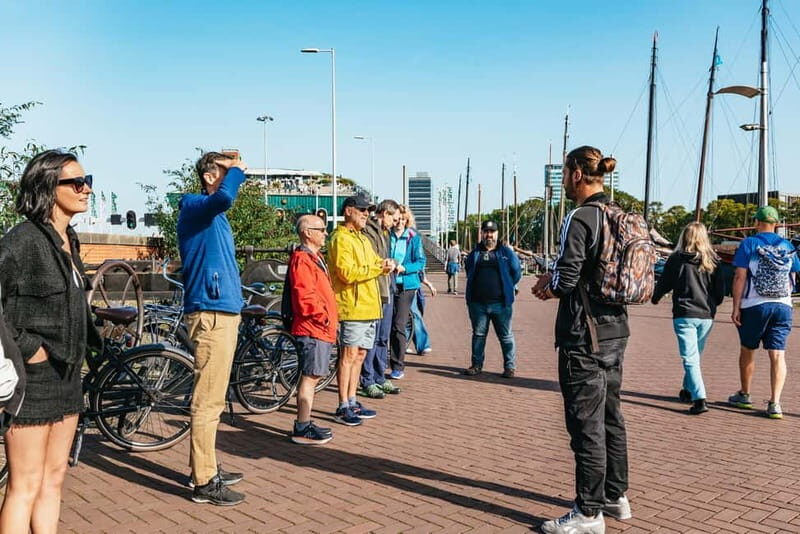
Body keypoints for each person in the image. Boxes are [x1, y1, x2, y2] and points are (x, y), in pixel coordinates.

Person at [0, 150, 102, 532]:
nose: (86, 188)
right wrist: (30, 349)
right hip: (34, 377)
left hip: (68, 374)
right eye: (76, 182)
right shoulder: (22, 241)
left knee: (55, 476)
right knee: (23, 484)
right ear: (47, 186)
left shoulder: (67, 240)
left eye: (87, 180)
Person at [532, 146, 631, 534]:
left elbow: (568, 276)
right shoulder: (618, 214)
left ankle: (589, 512)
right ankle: (615, 496)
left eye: (566, 174)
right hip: (615, 329)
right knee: (611, 417)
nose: (564, 182)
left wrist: (549, 286)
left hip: (583, 334)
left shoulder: (581, 217)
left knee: (585, 424)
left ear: (575, 174)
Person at [177, 151, 247, 505]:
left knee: (214, 399)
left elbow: (225, 199)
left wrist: (231, 166)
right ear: (209, 176)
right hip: (211, 312)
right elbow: (225, 196)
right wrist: (235, 171)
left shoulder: (213, 216)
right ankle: (205, 482)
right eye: (225, 171)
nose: (236, 175)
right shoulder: (193, 205)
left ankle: (205, 467)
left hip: (223, 310)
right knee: (208, 401)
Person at [728, 205, 800, 419]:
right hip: (783, 305)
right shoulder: (787, 245)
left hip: (755, 305)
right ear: (776, 224)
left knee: (748, 349)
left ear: (757, 223)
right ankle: (775, 403)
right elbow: (794, 274)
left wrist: (735, 306)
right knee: (778, 354)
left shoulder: (749, 244)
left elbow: (740, 277)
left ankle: (745, 394)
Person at [329, 195, 394, 425]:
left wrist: (385, 266)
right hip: (352, 306)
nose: (366, 213)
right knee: (348, 356)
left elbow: (374, 263)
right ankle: (342, 404)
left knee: (360, 355)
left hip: (369, 306)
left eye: (368, 210)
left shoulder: (362, 239)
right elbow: (346, 273)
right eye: (362, 209)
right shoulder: (340, 239)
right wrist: (378, 269)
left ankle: (353, 399)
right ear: (349, 211)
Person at [651, 222, 725, 415]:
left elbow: (665, 282)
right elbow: (719, 291)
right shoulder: (713, 260)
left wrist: (656, 297)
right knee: (694, 356)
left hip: (685, 313)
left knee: (690, 358)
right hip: (706, 315)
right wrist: (714, 304)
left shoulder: (676, 259)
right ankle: (687, 390)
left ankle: (700, 399)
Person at [288, 215, 336, 444]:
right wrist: (323, 317)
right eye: (321, 229)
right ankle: (302, 426)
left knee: (312, 376)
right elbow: (304, 295)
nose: (325, 233)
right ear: (308, 232)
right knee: (310, 376)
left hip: (318, 327)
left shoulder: (313, 258)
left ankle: (304, 422)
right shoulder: (303, 259)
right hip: (313, 327)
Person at [462, 220, 521, 378]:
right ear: (482, 233)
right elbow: (469, 271)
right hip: (477, 304)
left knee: (506, 336)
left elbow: (516, 272)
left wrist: (508, 287)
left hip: (501, 304)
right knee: (479, 335)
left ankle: (510, 367)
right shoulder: (475, 253)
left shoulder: (506, 253)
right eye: (486, 232)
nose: (489, 235)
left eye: (492, 232)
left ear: (497, 233)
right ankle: (476, 365)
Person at [358, 199, 402, 399]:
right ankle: (367, 379)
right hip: (375, 290)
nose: (396, 222)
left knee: (383, 337)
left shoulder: (385, 233)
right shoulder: (369, 231)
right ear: (385, 213)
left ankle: (379, 376)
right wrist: (386, 263)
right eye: (394, 218)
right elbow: (372, 258)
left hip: (387, 288)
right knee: (372, 339)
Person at [388, 205, 426, 380]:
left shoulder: (413, 238)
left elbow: (420, 262)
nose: (399, 222)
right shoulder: (386, 236)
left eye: (403, 219)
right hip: (388, 284)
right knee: (385, 325)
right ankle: (382, 362)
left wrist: (405, 268)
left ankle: (397, 365)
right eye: (397, 219)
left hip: (406, 286)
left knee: (398, 324)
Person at [407, 271, 436, 355]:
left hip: (412, 287)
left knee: (413, 316)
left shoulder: (419, 259)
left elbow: (420, 273)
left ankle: (420, 345)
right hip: (407, 286)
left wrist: (429, 285)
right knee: (413, 316)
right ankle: (422, 345)